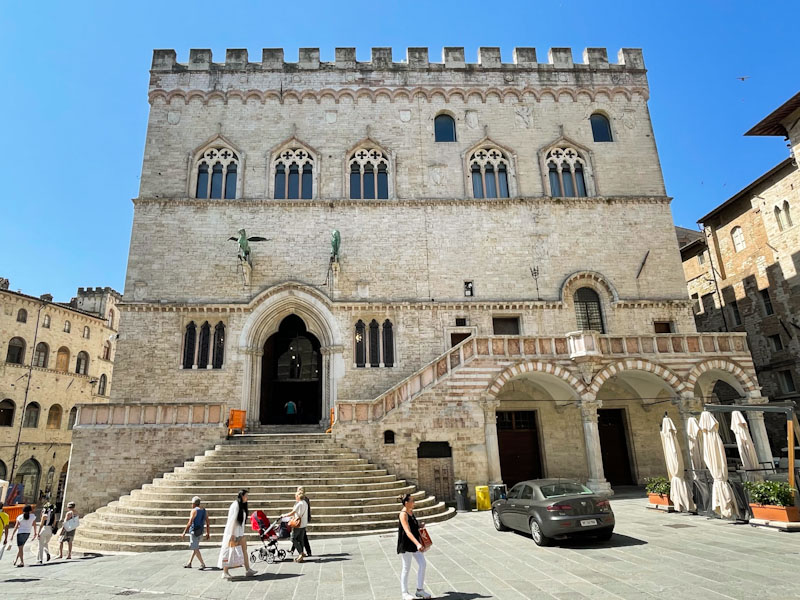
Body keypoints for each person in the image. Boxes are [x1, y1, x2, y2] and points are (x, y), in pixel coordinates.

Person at [397, 494, 431, 600]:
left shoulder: (411, 512)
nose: (414, 503)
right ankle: (404, 593)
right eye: (412, 501)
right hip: (407, 543)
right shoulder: (403, 514)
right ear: (406, 503)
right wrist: (418, 544)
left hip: (415, 543)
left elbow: (413, 526)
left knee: (422, 564)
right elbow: (407, 531)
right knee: (406, 567)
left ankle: (420, 590)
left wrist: (419, 526)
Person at [218, 489, 256, 579]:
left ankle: (248, 569)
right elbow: (233, 521)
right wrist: (232, 534)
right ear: (242, 496)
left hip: (240, 532)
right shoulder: (236, 505)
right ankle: (225, 572)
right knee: (228, 552)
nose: (247, 498)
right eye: (246, 496)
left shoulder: (242, 506)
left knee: (244, 550)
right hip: (233, 533)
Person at [181, 496, 209, 568]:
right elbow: (208, 522)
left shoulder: (194, 511)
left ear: (194, 504)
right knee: (195, 547)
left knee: (195, 548)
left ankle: (202, 564)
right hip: (201, 531)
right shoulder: (204, 510)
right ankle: (189, 563)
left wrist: (184, 532)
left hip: (194, 531)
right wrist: (208, 532)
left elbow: (190, 522)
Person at [283, 489, 309, 563]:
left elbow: (292, 512)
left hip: (298, 524)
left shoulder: (299, 504)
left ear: (298, 496)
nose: (295, 497)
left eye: (296, 496)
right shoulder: (305, 503)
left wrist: (284, 515)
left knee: (293, 538)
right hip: (303, 523)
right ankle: (302, 554)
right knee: (301, 539)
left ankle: (301, 553)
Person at [297, 486, 312, 557]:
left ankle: (304, 551)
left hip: (301, 520)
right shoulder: (305, 499)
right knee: (301, 535)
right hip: (303, 520)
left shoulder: (302, 500)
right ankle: (307, 551)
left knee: (300, 536)